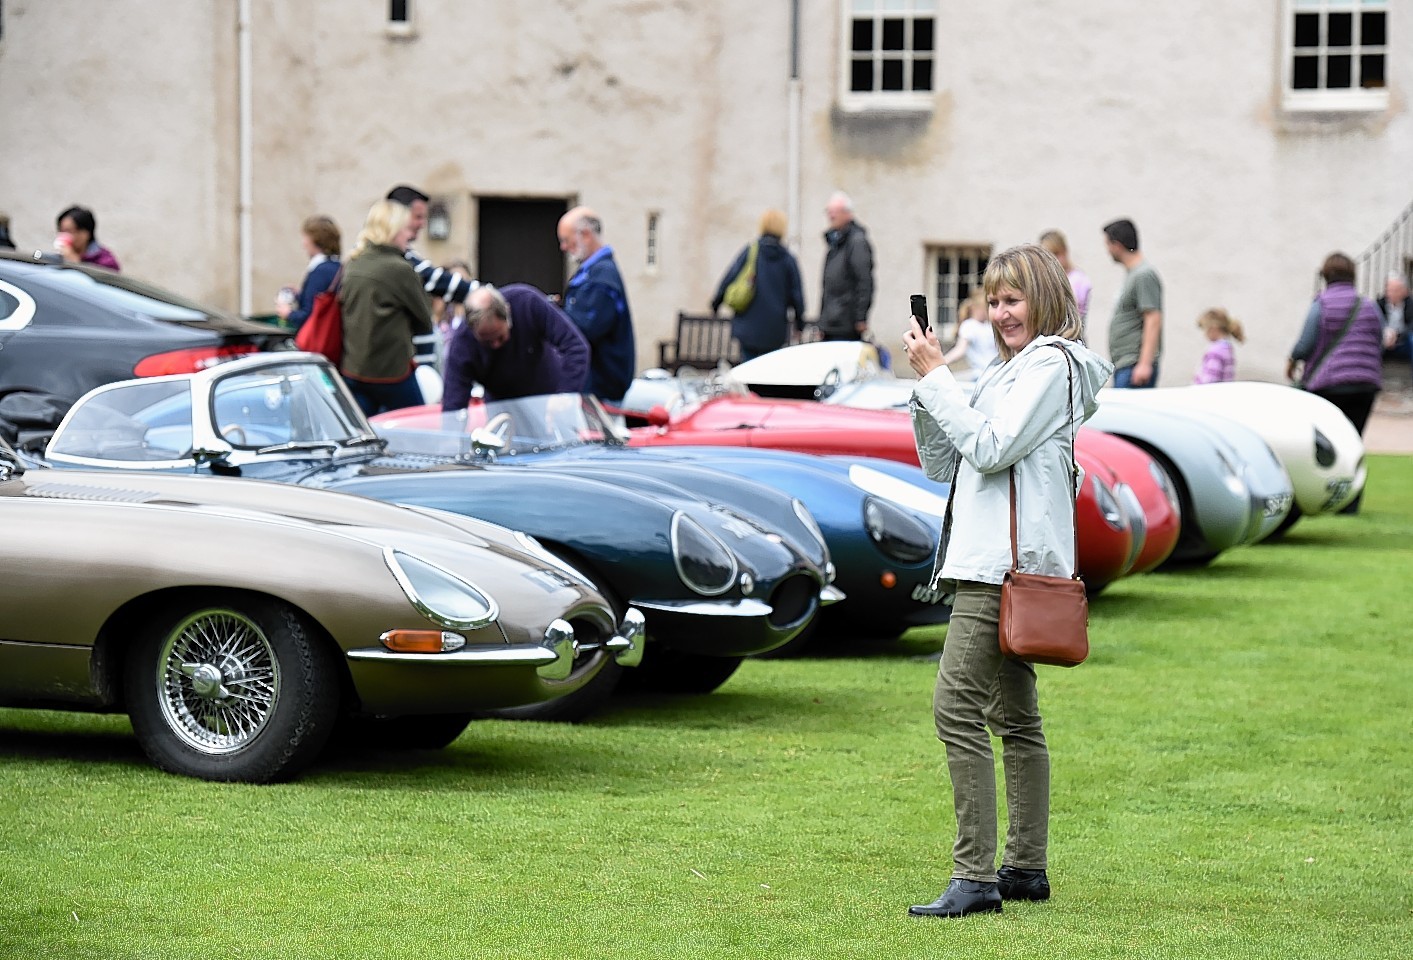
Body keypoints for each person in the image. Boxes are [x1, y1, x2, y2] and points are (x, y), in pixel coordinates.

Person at [901, 243, 1113, 919]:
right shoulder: (1011, 371)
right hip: (998, 560)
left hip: (998, 567)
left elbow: (991, 448)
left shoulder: (1049, 365)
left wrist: (940, 380)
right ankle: (1023, 867)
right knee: (1014, 719)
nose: (999, 313)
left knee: (953, 709)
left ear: (1044, 299)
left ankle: (975, 877)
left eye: (1011, 299)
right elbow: (946, 460)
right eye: (992, 302)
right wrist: (928, 384)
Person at [1286, 252, 1384, 512]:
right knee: (1355, 440)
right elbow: (1379, 340)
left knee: (1327, 444)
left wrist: (1293, 359)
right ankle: (1351, 504)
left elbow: (1305, 343)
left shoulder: (1321, 304)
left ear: (1325, 276)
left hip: (1329, 383)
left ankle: (1322, 496)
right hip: (1365, 383)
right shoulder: (1369, 306)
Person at [338, 199, 432, 416]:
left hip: (354, 370)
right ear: (393, 231)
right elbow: (425, 321)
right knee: (419, 433)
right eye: (406, 229)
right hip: (392, 374)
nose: (409, 236)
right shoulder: (400, 269)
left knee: (364, 440)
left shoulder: (353, 262)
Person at [440, 282, 590, 410]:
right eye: (487, 342)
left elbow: (576, 346)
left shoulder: (527, 303)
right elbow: (454, 403)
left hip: (550, 401)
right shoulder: (462, 344)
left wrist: (565, 394)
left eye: (500, 337)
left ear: (507, 312)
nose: (495, 345)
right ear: (472, 331)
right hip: (502, 409)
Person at [557, 205, 636, 405]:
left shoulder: (601, 278)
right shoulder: (592, 272)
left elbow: (585, 329)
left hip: (601, 390)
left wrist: (553, 316)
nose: (563, 247)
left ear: (585, 234)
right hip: (596, 387)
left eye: (566, 240)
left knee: (595, 437)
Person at [711, 208, 806, 362]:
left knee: (748, 370)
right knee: (768, 374)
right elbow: (797, 295)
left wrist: (716, 303)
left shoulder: (751, 251)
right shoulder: (788, 259)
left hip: (748, 327)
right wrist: (799, 324)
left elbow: (730, 277)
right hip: (774, 330)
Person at [386, 184, 479, 304]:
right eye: (418, 217)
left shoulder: (399, 253)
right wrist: (490, 295)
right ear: (398, 217)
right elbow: (438, 281)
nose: (423, 224)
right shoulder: (395, 257)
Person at [1102, 218, 1161, 387]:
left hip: (1134, 366)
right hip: (1126, 364)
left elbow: (1153, 318)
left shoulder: (1143, 275)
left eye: (1108, 244)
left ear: (1117, 245)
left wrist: (1144, 363)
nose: (1107, 251)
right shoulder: (1133, 274)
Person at [818, 191, 875, 342]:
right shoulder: (835, 243)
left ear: (847, 214)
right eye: (829, 212)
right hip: (831, 323)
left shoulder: (856, 242)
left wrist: (860, 318)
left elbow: (864, 282)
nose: (831, 216)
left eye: (835, 212)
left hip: (846, 325)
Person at [274, 215, 341, 331]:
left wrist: (288, 313)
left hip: (317, 342)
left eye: (306, 238)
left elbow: (309, 315)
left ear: (316, 240)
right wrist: (300, 295)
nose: (303, 244)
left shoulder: (319, 272)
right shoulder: (337, 267)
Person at [1038, 229, 1091, 331]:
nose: (1052, 260)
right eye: (1047, 256)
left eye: (1056, 254)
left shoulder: (1079, 280)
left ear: (1065, 251)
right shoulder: (1043, 281)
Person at [941, 289, 999, 373]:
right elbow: (960, 350)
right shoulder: (969, 326)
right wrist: (941, 363)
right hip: (981, 373)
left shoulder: (989, 325)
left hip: (996, 372)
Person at [55, 205, 120, 271]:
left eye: (69, 231)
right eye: (61, 231)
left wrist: (76, 264)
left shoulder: (105, 261)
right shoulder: (58, 258)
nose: (63, 236)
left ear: (85, 233)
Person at [1192, 308, 1244, 384]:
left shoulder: (1215, 351)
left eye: (1205, 329)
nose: (1204, 334)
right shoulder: (1227, 348)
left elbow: (1210, 380)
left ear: (1213, 329)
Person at [1376, 271, 1410, 365]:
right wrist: (1386, 334)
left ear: (1404, 291)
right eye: (1389, 290)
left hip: (1403, 342)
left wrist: (1397, 335)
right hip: (1384, 343)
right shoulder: (1379, 304)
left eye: (1395, 290)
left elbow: (1411, 326)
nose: (1391, 293)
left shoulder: (1410, 305)